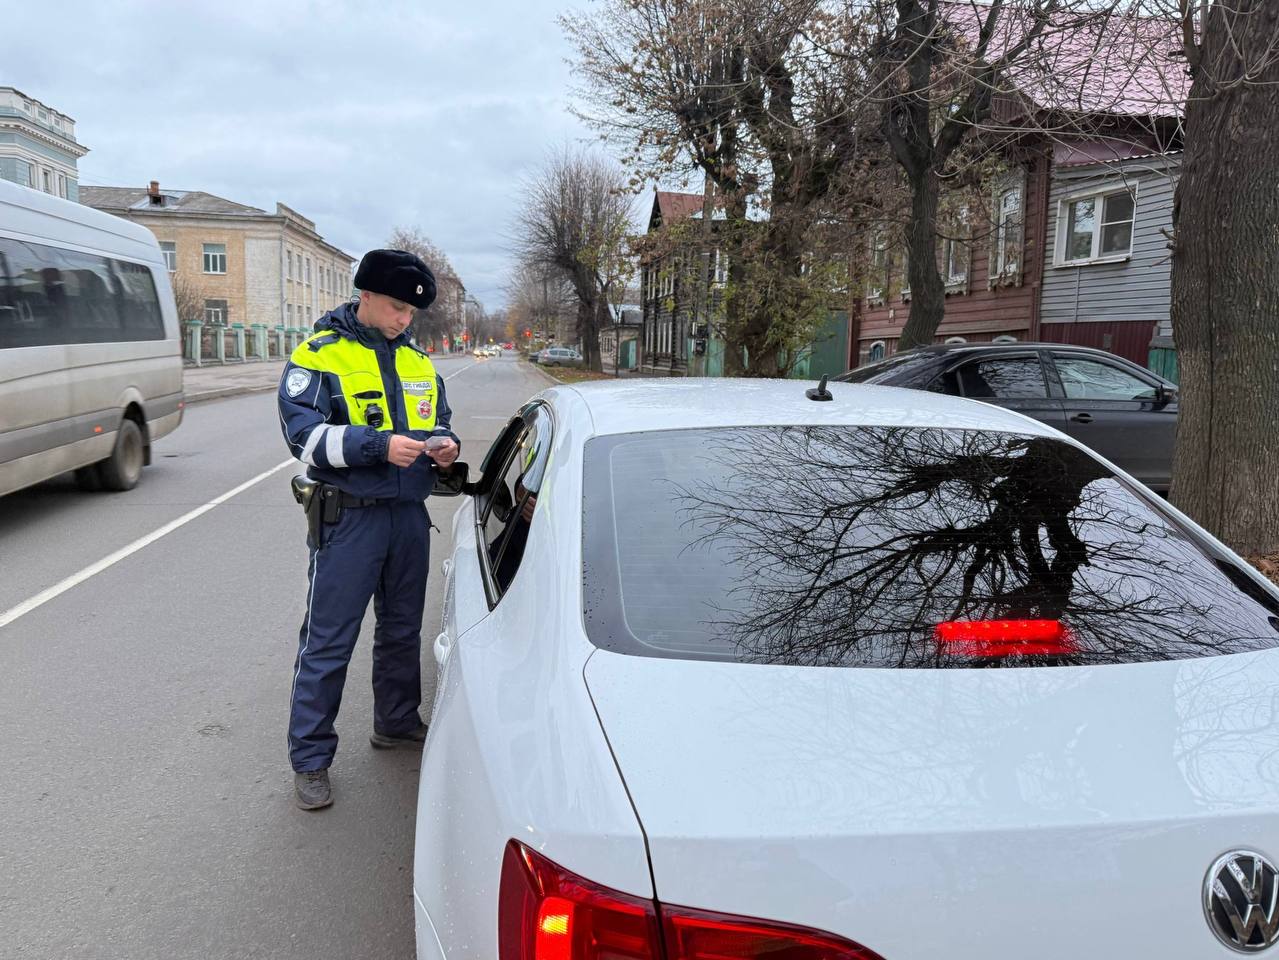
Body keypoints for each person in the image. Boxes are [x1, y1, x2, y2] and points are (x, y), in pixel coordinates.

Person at [277, 249, 460, 810]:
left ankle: (396, 721)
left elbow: (439, 420)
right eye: (397, 307)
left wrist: (446, 446)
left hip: (407, 517)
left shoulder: (418, 361)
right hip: (349, 518)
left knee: (402, 630)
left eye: (412, 312)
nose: (405, 319)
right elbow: (303, 438)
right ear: (367, 295)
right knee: (329, 641)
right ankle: (311, 759)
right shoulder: (319, 354)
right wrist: (377, 446)